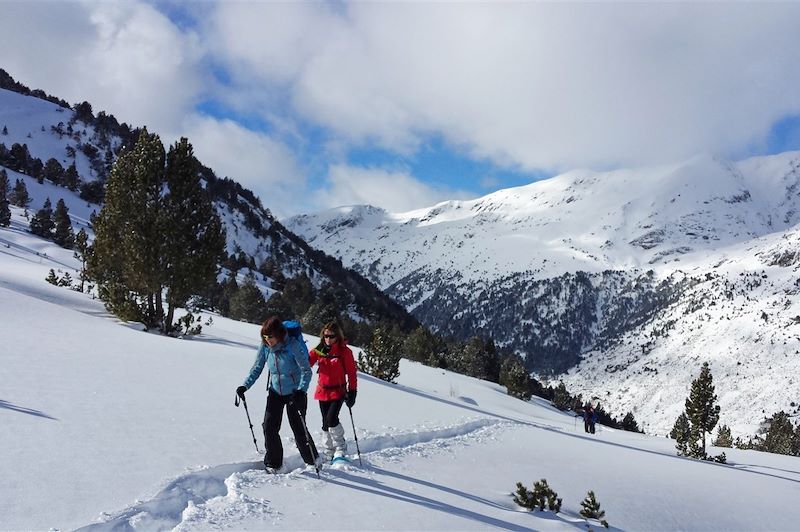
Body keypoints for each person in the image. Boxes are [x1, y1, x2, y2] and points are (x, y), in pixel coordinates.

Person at [236, 316, 319, 472]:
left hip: (295, 392)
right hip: (275, 391)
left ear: (279, 334)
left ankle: (314, 461)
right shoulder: (265, 347)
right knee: (269, 426)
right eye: (265, 337)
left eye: (271, 337)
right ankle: (274, 464)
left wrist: (302, 390)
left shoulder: (293, 346)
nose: (268, 341)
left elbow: (306, 370)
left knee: (299, 429)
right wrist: (244, 386)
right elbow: (257, 368)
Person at [309, 322, 358, 461]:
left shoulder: (344, 351)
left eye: (331, 336)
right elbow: (307, 362)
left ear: (338, 336)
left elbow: (352, 373)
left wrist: (352, 391)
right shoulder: (321, 349)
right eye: (326, 336)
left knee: (331, 419)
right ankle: (329, 450)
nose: (328, 339)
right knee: (325, 422)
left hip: (338, 391)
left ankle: (340, 448)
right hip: (322, 391)